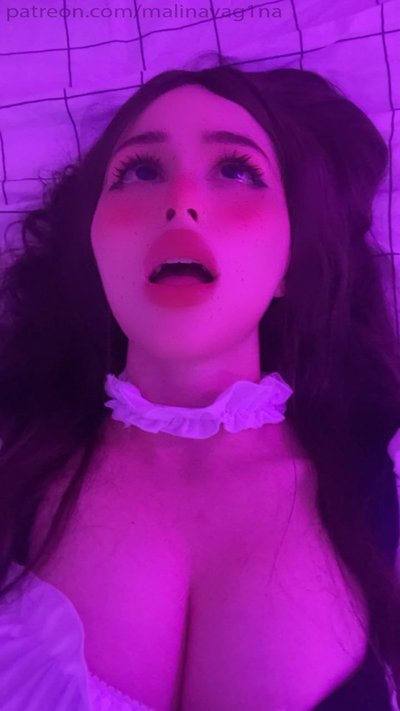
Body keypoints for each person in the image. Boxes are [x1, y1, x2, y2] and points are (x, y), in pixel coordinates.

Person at [0, 60, 399, 711]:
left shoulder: (386, 477)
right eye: (140, 171)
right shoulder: (12, 451)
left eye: (237, 171)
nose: (180, 200)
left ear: (290, 263)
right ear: (94, 250)